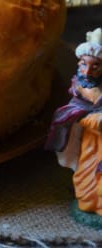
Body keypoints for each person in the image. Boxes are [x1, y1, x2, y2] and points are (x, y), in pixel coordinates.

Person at [46, 27, 102, 216]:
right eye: (83, 65)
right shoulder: (78, 85)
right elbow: (75, 107)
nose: (87, 71)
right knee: (85, 169)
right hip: (86, 137)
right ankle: (87, 199)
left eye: (95, 66)